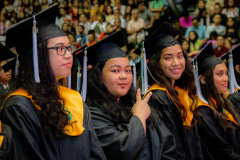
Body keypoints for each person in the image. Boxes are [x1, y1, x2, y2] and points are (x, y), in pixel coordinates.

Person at [0, 4, 106, 160]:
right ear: (38, 57)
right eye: (60, 48)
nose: (69, 55)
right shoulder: (19, 107)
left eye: (68, 48)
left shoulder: (74, 100)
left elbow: (96, 154)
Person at [75, 30, 176, 160]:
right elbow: (124, 151)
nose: (124, 76)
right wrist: (139, 116)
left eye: (128, 70)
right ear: (98, 76)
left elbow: (168, 144)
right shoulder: (92, 115)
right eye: (116, 70)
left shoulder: (134, 104)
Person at [134, 22, 207, 160]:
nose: (176, 62)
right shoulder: (158, 97)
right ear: (156, 63)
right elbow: (172, 147)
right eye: (168, 57)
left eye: (180, 56)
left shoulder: (179, 92)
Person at [193, 42, 240, 159]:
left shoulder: (222, 102)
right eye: (220, 74)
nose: (226, 79)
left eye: (226, 74)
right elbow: (222, 148)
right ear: (203, 79)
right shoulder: (202, 110)